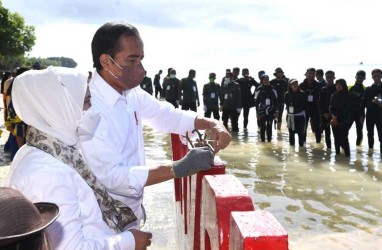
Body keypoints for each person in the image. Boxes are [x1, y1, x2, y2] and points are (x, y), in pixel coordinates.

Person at [81, 22, 231, 231]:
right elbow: (112, 176)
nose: (141, 69)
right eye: (131, 60)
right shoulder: (89, 107)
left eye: (141, 60)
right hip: (104, 220)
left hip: (131, 211)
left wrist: (210, 122)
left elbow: (165, 115)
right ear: (106, 61)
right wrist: (178, 167)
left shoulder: (130, 93)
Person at [2, 66, 155, 249]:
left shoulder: (49, 150)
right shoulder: (48, 172)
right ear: (60, 107)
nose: (93, 110)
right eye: (86, 102)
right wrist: (130, 241)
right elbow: (68, 247)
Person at [299, 68, 322, 143]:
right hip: (304, 109)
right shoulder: (301, 85)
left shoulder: (318, 85)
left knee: (317, 128)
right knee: (303, 128)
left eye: (313, 74)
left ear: (315, 75)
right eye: (310, 73)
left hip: (315, 108)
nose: (311, 75)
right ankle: (303, 145)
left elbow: (322, 99)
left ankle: (318, 145)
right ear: (306, 74)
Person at [362, 69, 382, 152]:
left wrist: (378, 102)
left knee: (381, 135)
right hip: (370, 114)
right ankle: (370, 153)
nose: (377, 78)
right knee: (370, 134)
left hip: (380, 115)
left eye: (378, 76)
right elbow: (363, 103)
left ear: (381, 76)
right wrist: (361, 115)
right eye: (375, 76)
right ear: (372, 77)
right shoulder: (368, 89)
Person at [330, 79, 351, 156]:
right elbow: (331, 107)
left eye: (340, 84)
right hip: (334, 119)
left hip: (344, 120)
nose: (338, 86)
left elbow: (347, 109)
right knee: (336, 139)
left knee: (344, 138)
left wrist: (337, 117)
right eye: (336, 84)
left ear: (344, 85)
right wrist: (333, 117)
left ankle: (347, 155)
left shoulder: (348, 96)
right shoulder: (334, 95)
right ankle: (337, 155)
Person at [255, 74, 278, 142]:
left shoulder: (272, 88)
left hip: (271, 110)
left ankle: (269, 140)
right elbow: (256, 102)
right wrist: (257, 113)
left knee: (269, 125)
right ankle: (262, 141)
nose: (266, 81)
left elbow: (276, 100)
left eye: (267, 80)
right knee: (262, 126)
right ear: (262, 80)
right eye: (264, 80)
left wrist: (276, 111)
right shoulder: (259, 89)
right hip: (262, 110)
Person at [284, 79, 307, 147]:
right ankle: (292, 150)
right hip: (290, 116)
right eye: (293, 84)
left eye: (296, 84)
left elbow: (305, 105)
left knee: (301, 133)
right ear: (290, 85)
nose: (295, 85)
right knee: (291, 133)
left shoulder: (302, 93)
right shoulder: (287, 94)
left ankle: (301, 149)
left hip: (300, 116)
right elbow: (286, 103)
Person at [318, 70, 336, 148]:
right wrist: (323, 113)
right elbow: (319, 103)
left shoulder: (337, 88)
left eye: (330, 77)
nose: (329, 79)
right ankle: (328, 150)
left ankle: (337, 150)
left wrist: (335, 115)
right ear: (325, 78)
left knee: (336, 133)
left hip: (335, 115)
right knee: (327, 133)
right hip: (325, 114)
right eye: (327, 77)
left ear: (334, 77)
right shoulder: (323, 89)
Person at [348, 70, 366, 146]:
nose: (359, 79)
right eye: (358, 77)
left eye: (361, 78)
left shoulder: (365, 89)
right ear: (355, 77)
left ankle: (358, 148)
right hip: (350, 112)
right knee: (345, 129)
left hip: (360, 114)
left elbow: (365, 103)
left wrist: (362, 115)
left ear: (364, 78)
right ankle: (344, 146)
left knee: (359, 131)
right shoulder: (349, 87)